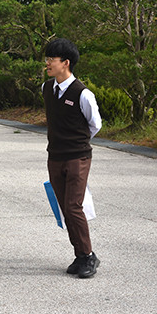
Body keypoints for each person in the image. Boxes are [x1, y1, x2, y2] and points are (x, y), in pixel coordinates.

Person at [43, 38, 102, 278]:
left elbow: (95, 124)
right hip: (54, 155)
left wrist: (77, 140)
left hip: (77, 156)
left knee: (73, 206)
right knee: (65, 208)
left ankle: (88, 256)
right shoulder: (47, 88)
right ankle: (79, 255)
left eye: (51, 59)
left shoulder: (82, 93)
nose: (47, 63)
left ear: (65, 63)